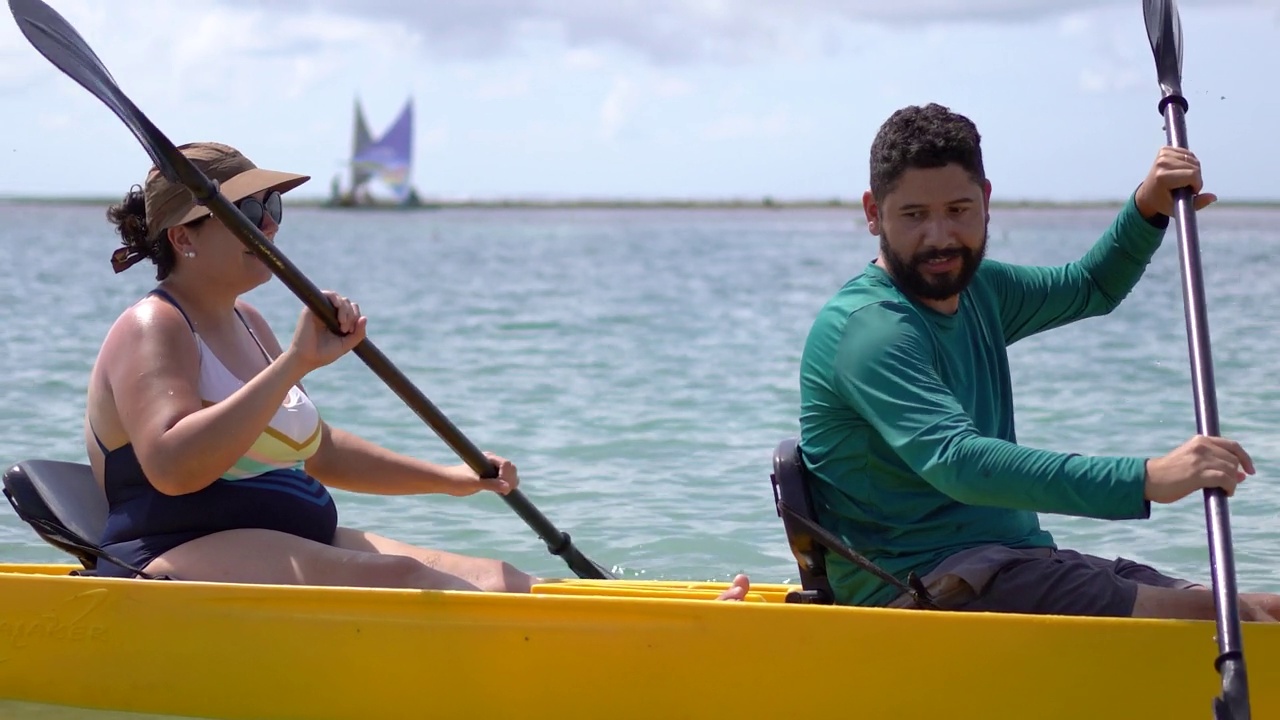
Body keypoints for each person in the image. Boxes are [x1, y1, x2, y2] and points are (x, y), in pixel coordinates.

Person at [85, 141, 752, 600]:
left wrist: (452, 481)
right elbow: (174, 466)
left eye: (273, 209)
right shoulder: (154, 327)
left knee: (500, 579)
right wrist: (294, 364)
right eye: (250, 214)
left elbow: (318, 450)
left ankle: (647, 637)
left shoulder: (250, 324)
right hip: (173, 555)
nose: (270, 227)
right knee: (402, 579)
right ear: (184, 235)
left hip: (287, 537)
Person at [797, 103, 1277, 621]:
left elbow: (1090, 286)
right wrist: (1147, 477)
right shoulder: (870, 328)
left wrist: (1148, 207)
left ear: (985, 201)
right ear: (873, 213)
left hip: (1016, 564)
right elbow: (958, 462)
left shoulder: (981, 290)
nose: (940, 237)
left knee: (1262, 609)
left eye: (958, 210)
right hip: (920, 589)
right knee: (1230, 620)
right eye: (914, 216)